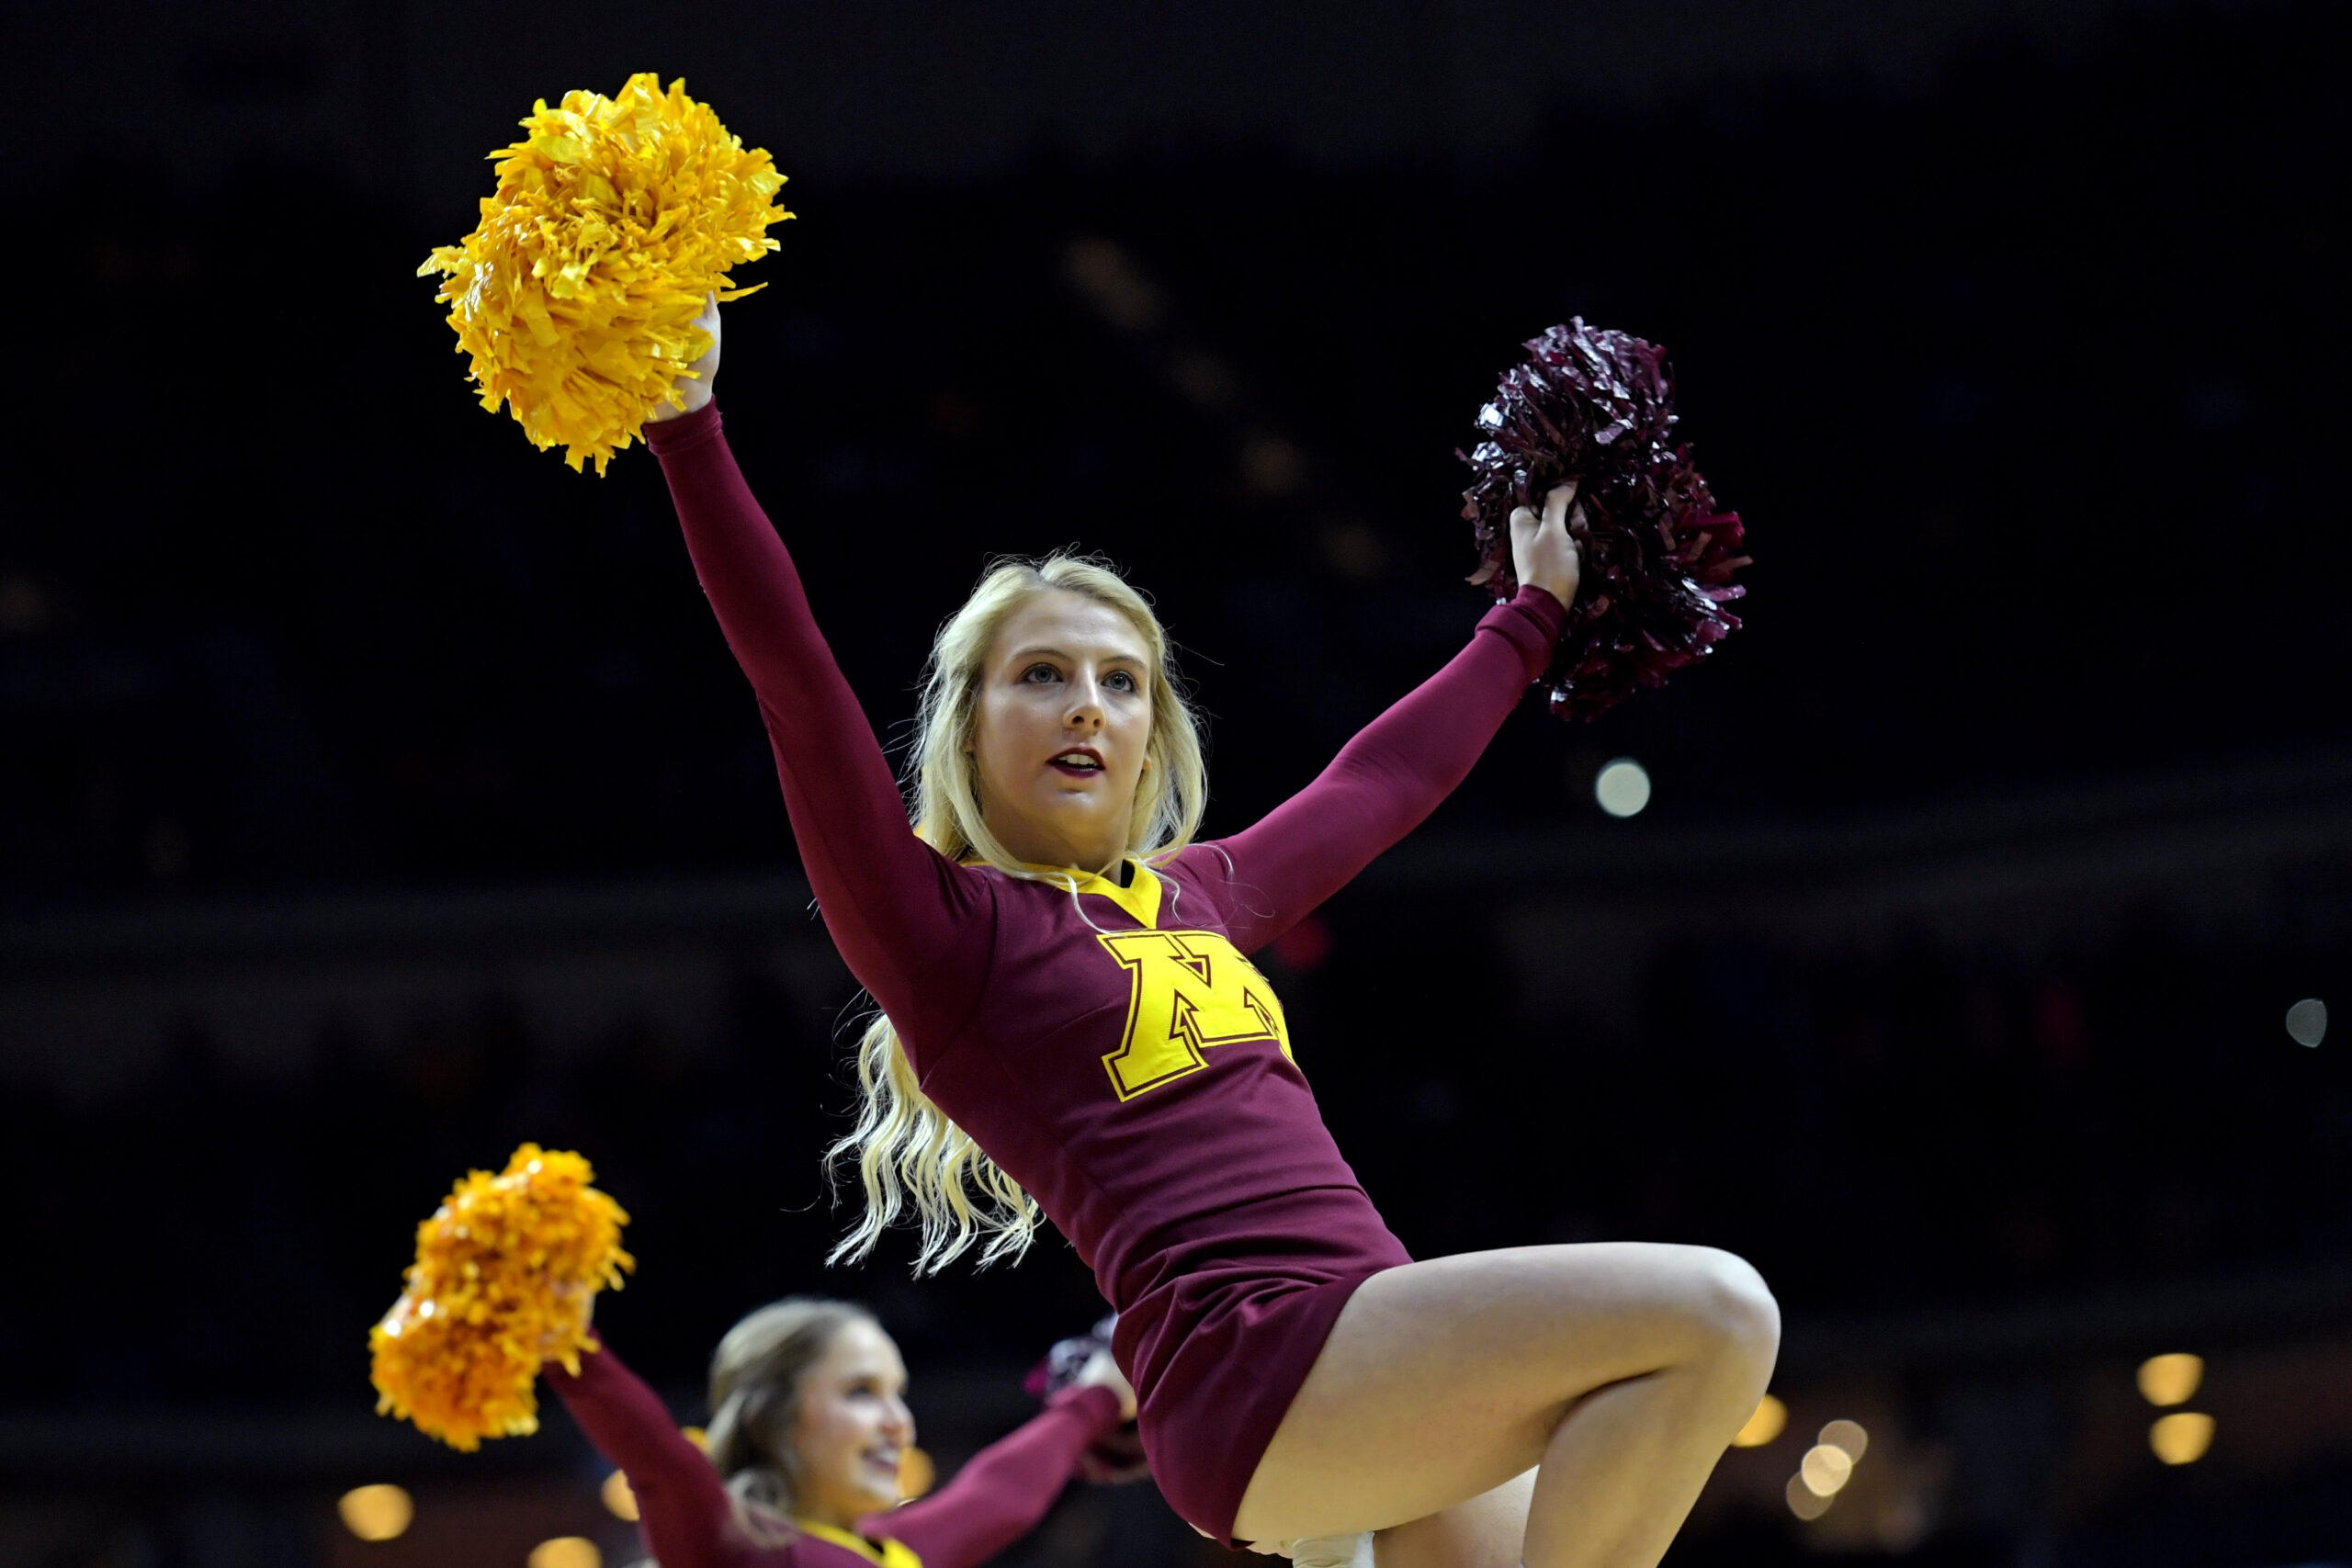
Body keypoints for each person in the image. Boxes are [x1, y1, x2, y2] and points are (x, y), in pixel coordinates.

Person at [631, 295, 1780, 1568]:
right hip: (1254, 1365)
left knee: (1615, 1437)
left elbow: (1377, 783)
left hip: (1367, 1347)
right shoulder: (941, 931)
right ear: (967, 728)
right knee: (1719, 1310)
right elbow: (794, 674)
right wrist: (690, 429)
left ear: (1150, 737)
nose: (1088, 705)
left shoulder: (1201, 891)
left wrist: (1533, 612)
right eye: (1042, 674)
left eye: (1123, 682)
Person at [544, 1297, 1136, 1568]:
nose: (898, 1423)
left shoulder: (897, 1554)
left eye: (898, 1394)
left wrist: (1099, 1395)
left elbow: (998, 1495)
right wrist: (568, 1344)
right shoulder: (742, 1549)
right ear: (770, 1420)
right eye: (861, 1393)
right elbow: (662, 1464)